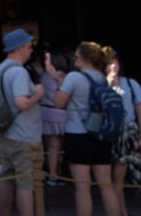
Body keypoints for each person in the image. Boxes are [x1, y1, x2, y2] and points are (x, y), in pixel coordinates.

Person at [52, 41, 121, 216]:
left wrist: (59, 83)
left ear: (83, 58)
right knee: (106, 185)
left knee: (82, 187)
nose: (73, 58)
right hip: (100, 133)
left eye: (76, 55)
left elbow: (59, 103)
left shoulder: (74, 77)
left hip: (78, 133)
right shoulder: (101, 77)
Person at [0, 29, 44, 216]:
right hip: (23, 136)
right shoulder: (19, 72)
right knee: (25, 182)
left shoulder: (0, 68)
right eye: (29, 46)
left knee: (5, 177)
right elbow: (21, 102)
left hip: (4, 132)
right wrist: (38, 93)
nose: (31, 50)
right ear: (19, 48)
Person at [106, 51, 141, 216]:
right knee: (117, 175)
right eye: (108, 63)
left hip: (131, 131)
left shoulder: (131, 83)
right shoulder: (102, 85)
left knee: (135, 174)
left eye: (114, 62)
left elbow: (139, 109)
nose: (112, 67)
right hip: (114, 133)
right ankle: (122, 212)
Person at [40, 51, 69, 187]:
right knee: (55, 147)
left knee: (51, 146)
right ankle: (54, 174)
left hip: (45, 112)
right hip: (58, 113)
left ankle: (54, 173)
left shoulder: (44, 76)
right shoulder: (62, 77)